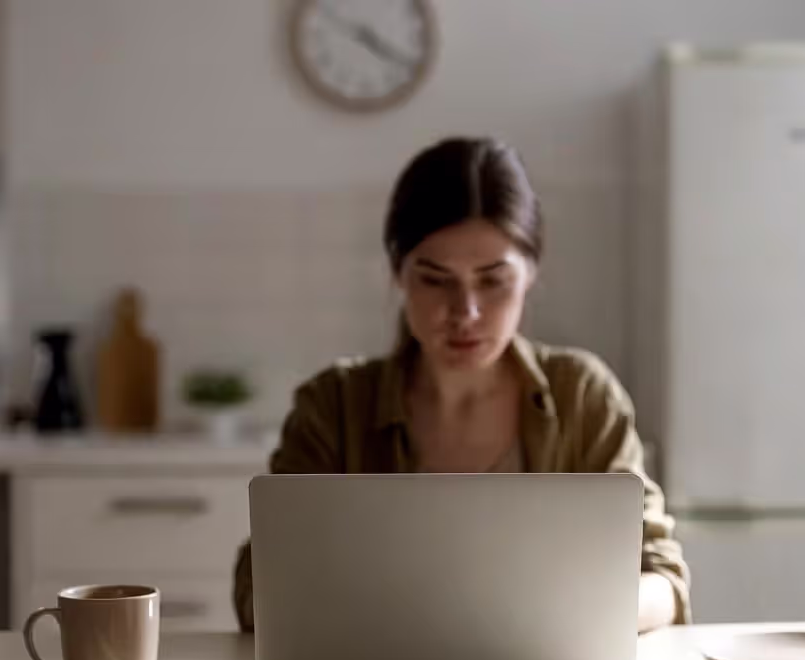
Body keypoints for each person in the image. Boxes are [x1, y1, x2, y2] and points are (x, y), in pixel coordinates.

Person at [233, 137, 691, 633]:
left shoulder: (583, 396)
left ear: (531, 274)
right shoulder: (332, 407)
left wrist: (561, 619)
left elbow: (663, 578)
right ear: (397, 273)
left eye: (492, 280)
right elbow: (257, 591)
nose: (465, 312)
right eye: (435, 279)